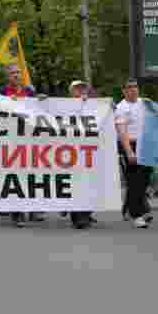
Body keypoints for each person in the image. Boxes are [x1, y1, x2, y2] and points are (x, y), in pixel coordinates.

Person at [0, 63, 44, 225]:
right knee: (15, 176)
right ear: (8, 76)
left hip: (29, 140)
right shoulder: (3, 92)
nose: (17, 75)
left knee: (32, 175)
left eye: (18, 72)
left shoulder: (29, 91)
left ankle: (33, 210)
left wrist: (40, 100)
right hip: (11, 140)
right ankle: (17, 213)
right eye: (13, 73)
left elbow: (37, 109)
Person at [115, 79, 153, 228]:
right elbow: (122, 131)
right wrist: (129, 151)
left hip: (145, 145)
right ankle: (136, 215)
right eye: (129, 87)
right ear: (124, 91)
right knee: (134, 181)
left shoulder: (144, 103)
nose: (133, 90)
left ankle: (130, 208)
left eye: (135, 87)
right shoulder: (121, 108)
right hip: (130, 144)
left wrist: (153, 106)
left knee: (144, 180)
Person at [66, 79, 94, 230]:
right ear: (71, 92)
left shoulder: (93, 105)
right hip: (71, 151)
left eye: (83, 88)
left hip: (89, 151)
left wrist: (110, 107)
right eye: (77, 89)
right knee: (76, 184)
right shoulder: (64, 106)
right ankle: (78, 217)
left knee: (89, 183)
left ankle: (86, 213)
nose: (81, 91)